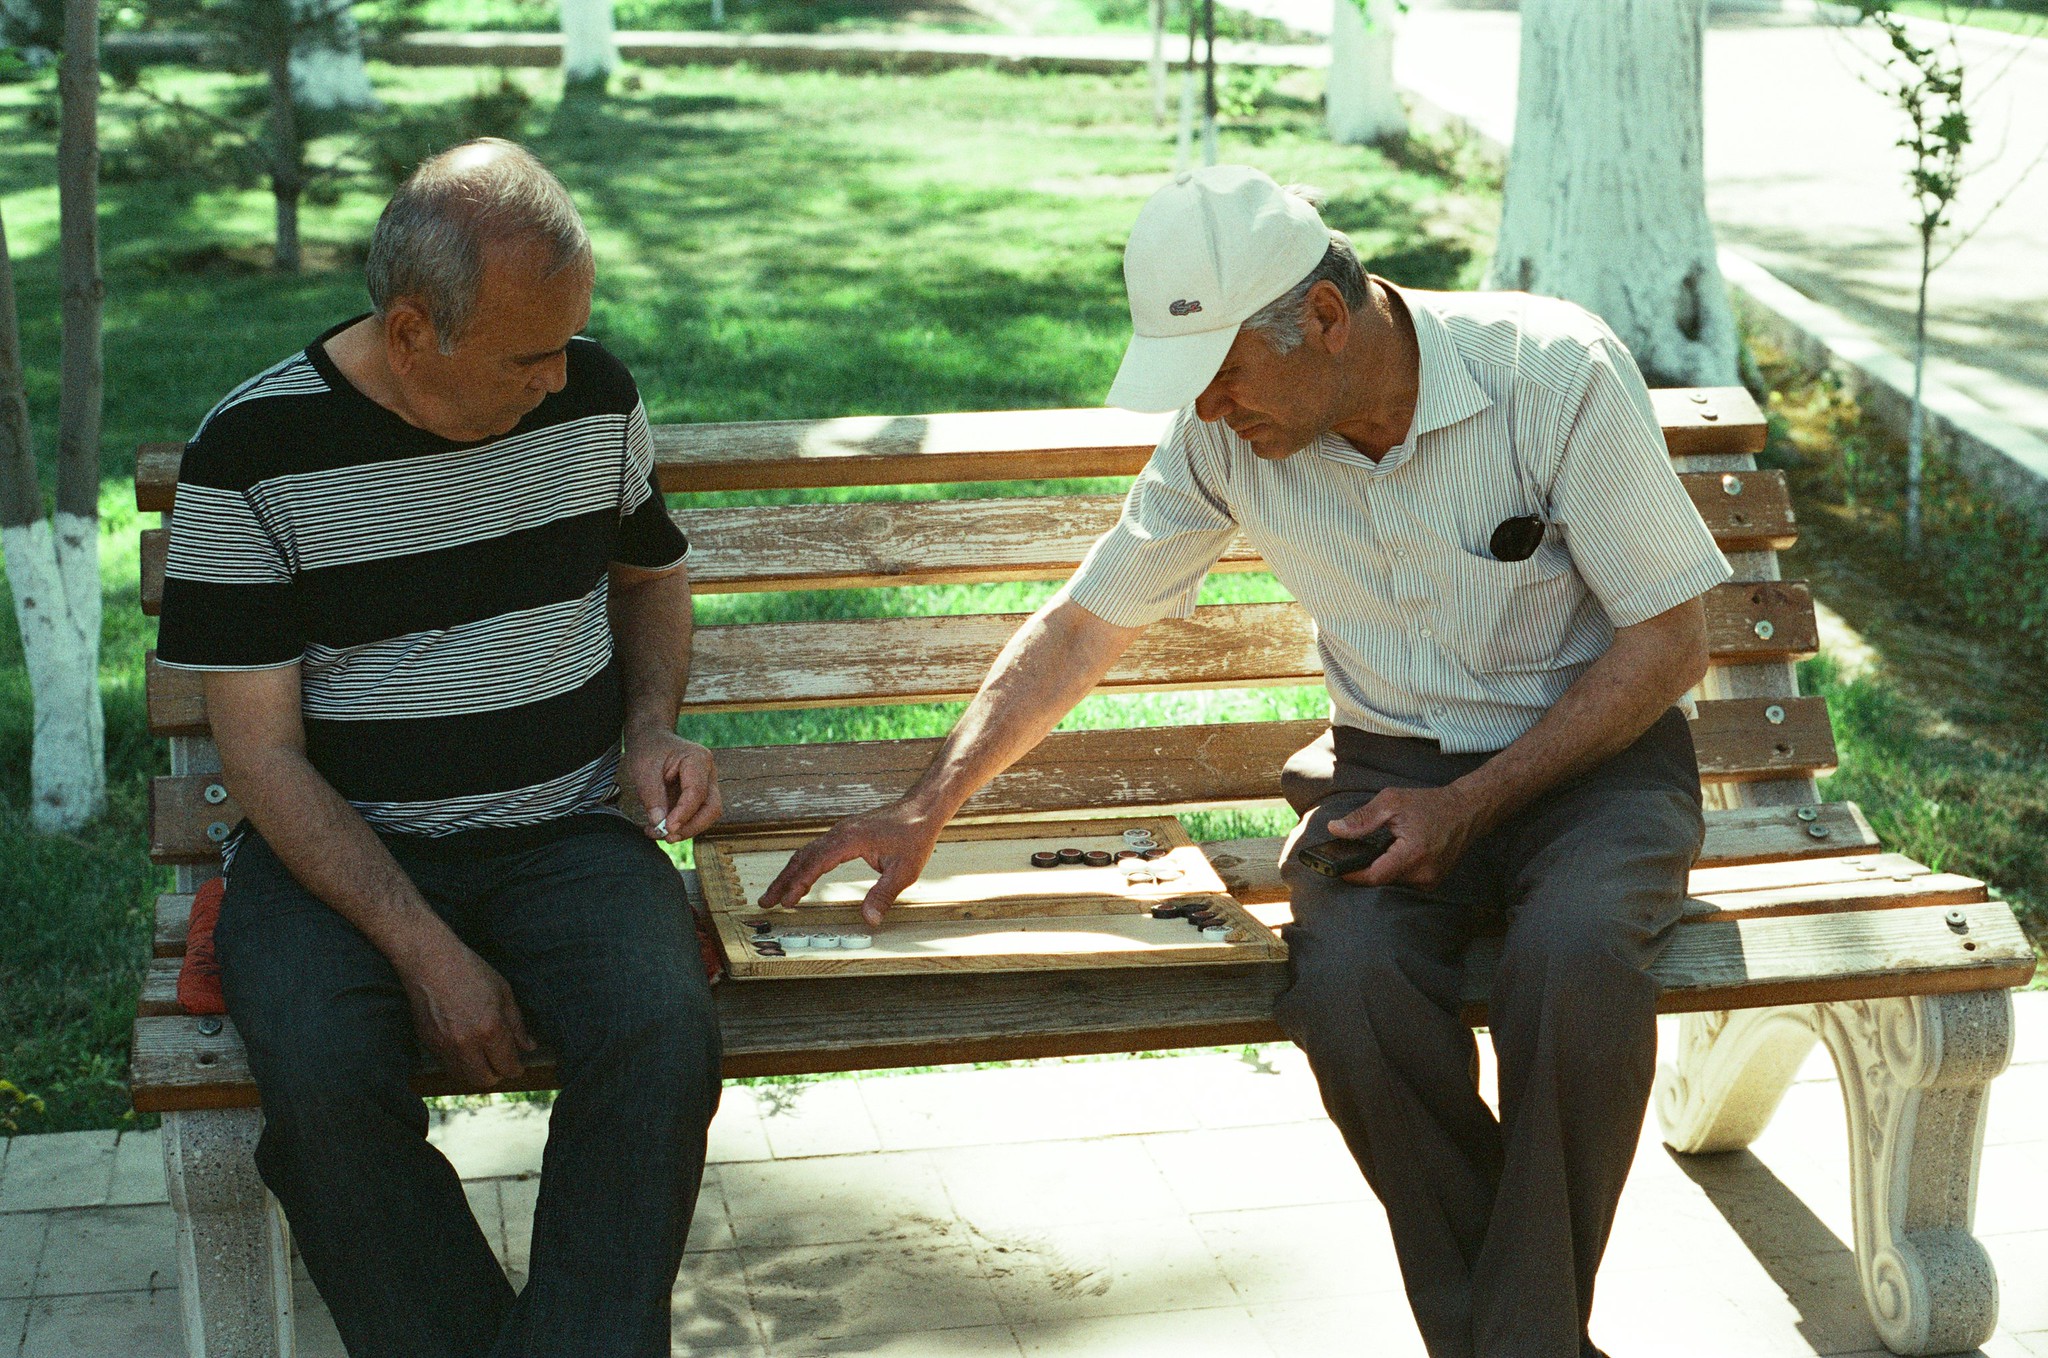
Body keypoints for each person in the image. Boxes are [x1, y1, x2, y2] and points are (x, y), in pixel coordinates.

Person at [762, 164, 1732, 1358]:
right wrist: (925, 803)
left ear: (1325, 318)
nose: (1211, 411)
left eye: (1222, 372)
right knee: (1347, 993)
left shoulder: (1552, 371)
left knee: (1573, 960)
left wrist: (1474, 804)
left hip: (1596, 763)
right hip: (1384, 772)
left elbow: (1668, 639)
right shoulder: (1222, 441)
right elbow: (1085, 623)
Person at [155, 139, 724, 1358]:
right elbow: (261, 759)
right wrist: (425, 947)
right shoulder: (253, 454)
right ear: (411, 332)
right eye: (528, 352)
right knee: (317, 1083)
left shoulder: (589, 397)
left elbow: (650, 580)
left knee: (663, 1036)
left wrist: (650, 725)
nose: (559, 374)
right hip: (337, 864)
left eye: (570, 339)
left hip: (566, 829)